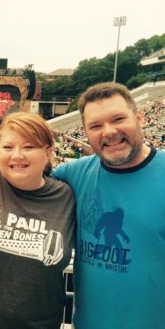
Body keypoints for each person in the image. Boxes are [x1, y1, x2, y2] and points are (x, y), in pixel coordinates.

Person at [52, 82, 165, 329]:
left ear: (139, 117)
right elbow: (20, 179)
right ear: (85, 131)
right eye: (95, 125)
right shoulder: (73, 173)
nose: (109, 132)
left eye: (118, 119)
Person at [0, 112, 76, 329]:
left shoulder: (67, 197)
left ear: (48, 153)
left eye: (28, 147)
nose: (17, 156)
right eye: (8, 148)